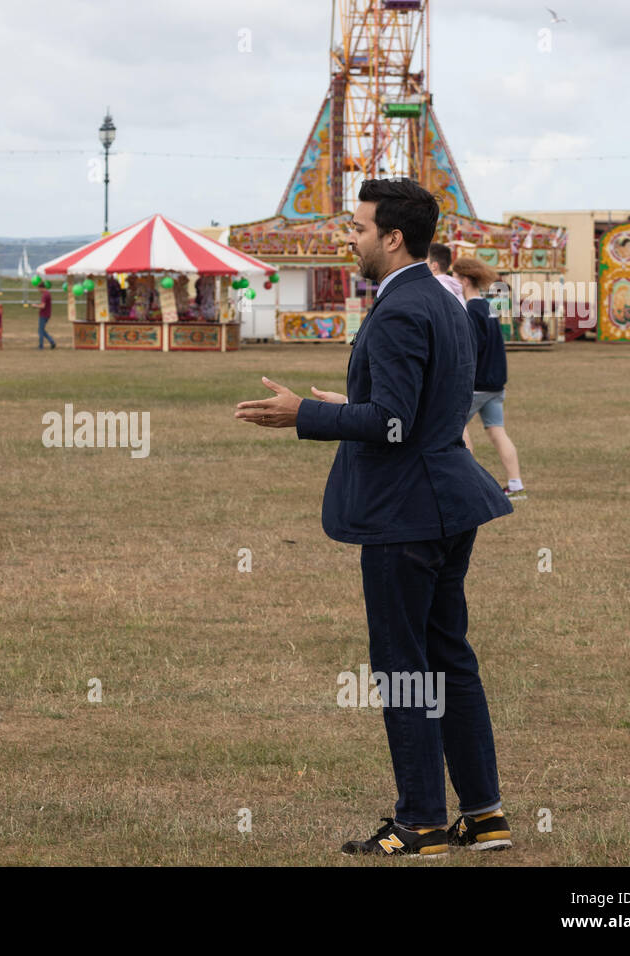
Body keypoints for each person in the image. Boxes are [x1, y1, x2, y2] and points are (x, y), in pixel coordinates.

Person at [235, 178, 514, 857]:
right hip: (450, 498)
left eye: (359, 228)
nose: (350, 238)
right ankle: (484, 816)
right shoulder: (447, 299)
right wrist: (347, 399)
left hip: (407, 512)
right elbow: (413, 407)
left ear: (392, 237)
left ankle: (420, 821)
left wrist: (306, 412)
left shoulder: (395, 312)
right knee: (451, 659)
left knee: (405, 667)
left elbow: (390, 422)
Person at [452, 256, 525, 500]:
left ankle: (469, 485)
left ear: (463, 281)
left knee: (456, 427)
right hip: (496, 384)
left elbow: (470, 350)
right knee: (497, 432)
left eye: (454, 278)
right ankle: (515, 485)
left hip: (477, 385)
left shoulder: (471, 311)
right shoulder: (489, 307)